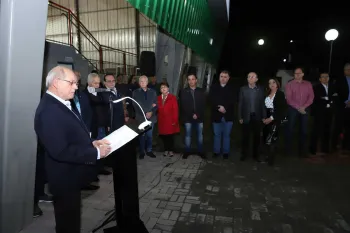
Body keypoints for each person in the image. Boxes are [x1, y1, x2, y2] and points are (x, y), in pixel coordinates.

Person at [34, 66, 111, 233]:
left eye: (76, 83)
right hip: (64, 179)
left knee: (71, 220)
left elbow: (74, 132)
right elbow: (60, 150)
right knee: (68, 224)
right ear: (56, 83)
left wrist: (92, 142)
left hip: (70, 176)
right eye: (72, 83)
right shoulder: (49, 111)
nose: (76, 87)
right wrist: (96, 153)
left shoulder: (60, 103)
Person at [285, 67, 314, 157]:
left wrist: (304, 107)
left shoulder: (308, 84)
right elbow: (289, 100)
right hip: (293, 109)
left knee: (304, 131)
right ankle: (288, 150)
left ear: (303, 74)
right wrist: (299, 108)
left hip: (305, 109)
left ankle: (302, 151)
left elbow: (311, 97)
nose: (297, 75)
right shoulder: (289, 84)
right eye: (295, 73)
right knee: (290, 129)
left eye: (299, 73)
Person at [238, 72, 266, 162]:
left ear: (256, 79)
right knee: (245, 137)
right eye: (249, 77)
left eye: (252, 77)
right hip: (246, 116)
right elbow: (240, 104)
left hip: (257, 116)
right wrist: (240, 116)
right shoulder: (243, 89)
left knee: (257, 137)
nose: (250, 78)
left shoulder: (260, 89)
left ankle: (255, 155)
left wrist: (264, 116)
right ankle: (244, 154)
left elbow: (262, 104)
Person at [179, 74, 206, 159]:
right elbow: (183, 105)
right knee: (187, 135)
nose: (191, 81)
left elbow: (203, 104)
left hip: (199, 117)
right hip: (187, 117)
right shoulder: (183, 91)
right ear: (187, 81)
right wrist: (191, 114)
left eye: (193, 79)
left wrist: (197, 114)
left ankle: (200, 151)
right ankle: (187, 151)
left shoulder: (201, 91)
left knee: (200, 136)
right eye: (189, 79)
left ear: (196, 80)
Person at [209, 70, 235, 159]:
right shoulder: (213, 87)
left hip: (228, 116)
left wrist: (225, 108)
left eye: (225, 77)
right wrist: (218, 107)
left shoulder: (232, 88)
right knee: (217, 135)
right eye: (221, 76)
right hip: (216, 115)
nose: (223, 78)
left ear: (228, 78)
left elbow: (233, 100)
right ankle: (216, 151)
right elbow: (211, 100)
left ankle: (225, 152)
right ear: (219, 77)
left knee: (226, 135)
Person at [262, 78, 287, 165]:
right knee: (266, 138)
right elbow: (263, 107)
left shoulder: (280, 94)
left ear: (277, 84)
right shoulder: (266, 93)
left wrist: (271, 118)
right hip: (266, 118)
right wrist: (264, 117)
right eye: (269, 83)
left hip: (275, 118)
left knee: (272, 139)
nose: (271, 84)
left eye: (273, 82)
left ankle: (270, 160)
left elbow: (281, 109)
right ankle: (267, 156)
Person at [132, 76, 158, 159]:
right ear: (139, 83)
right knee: (142, 136)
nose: (143, 83)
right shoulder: (135, 92)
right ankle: (142, 151)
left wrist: (151, 112)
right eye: (141, 81)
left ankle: (149, 150)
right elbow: (135, 105)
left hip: (151, 117)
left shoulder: (153, 92)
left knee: (149, 135)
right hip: (140, 117)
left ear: (147, 82)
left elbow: (156, 104)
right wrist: (145, 113)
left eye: (144, 81)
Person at [309, 72, 335, 156]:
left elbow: (334, 97)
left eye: (326, 77)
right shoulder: (316, 87)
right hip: (319, 112)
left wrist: (327, 99)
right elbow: (317, 99)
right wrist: (328, 99)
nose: (325, 78)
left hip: (329, 111)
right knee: (316, 131)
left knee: (327, 130)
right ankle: (312, 149)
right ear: (320, 79)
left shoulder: (332, 87)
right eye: (323, 77)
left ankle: (325, 149)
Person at [157, 82, 180, 157]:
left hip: (170, 121)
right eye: (161, 87)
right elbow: (156, 109)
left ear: (168, 88)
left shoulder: (172, 97)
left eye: (165, 87)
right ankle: (166, 150)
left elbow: (175, 110)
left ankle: (171, 150)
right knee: (164, 137)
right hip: (162, 121)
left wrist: (174, 121)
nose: (163, 88)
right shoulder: (158, 98)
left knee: (170, 136)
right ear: (160, 90)